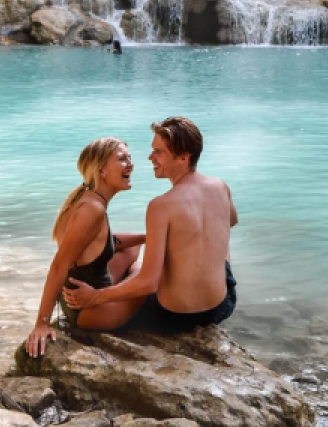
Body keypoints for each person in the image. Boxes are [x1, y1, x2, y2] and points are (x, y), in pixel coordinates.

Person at [63, 117, 238, 334]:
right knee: (211, 244)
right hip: (223, 305)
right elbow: (230, 221)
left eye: (158, 152)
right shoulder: (220, 187)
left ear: (184, 157)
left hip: (177, 317)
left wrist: (96, 296)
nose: (150, 157)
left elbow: (148, 283)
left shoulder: (161, 206)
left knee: (141, 272)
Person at [25, 138, 146, 357]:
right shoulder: (92, 210)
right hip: (91, 312)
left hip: (75, 299)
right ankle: (113, 293)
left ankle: (112, 290)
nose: (131, 164)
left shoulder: (86, 197)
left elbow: (104, 241)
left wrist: (147, 237)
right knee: (148, 274)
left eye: (130, 158)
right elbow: (59, 265)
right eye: (122, 159)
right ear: (101, 171)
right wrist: (42, 323)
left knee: (132, 249)